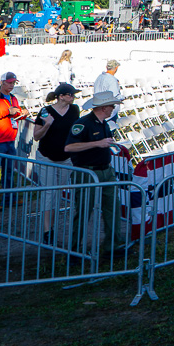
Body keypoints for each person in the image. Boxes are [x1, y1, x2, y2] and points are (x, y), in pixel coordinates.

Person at [62, 93, 129, 256]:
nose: (113, 109)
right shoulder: (83, 124)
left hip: (105, 170)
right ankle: (75, 250)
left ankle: (112, 246)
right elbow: (69, 148)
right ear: (104, 107)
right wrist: (97, 143)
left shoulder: (104, 124)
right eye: (112, 106)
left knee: (112, 209)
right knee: (84, 211)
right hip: (87, 172)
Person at [30, 82, 81, 245]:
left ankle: (52, 226)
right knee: (49, 192)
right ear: (61, 96)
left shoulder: (74, 110)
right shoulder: (46, 111)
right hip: (47, 157)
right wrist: (48, 124)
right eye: (70, 95)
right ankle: (47, 231)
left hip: (66, 157)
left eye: (73, 95)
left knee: (57, 192)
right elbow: (36, 136)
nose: (73, 97)